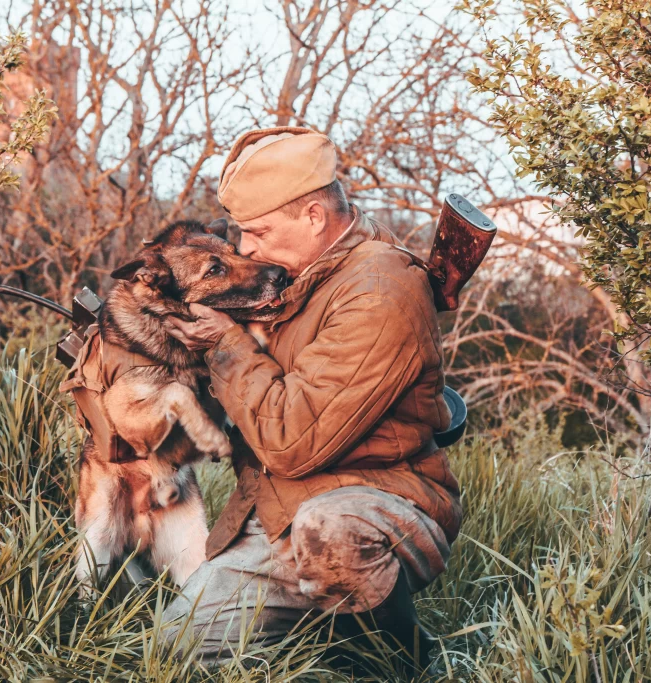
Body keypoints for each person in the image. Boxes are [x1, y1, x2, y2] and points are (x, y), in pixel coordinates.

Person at [158, 126, 463, 669]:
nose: (245, 248)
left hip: (380, 499)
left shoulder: (378, 289)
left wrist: (224, 344)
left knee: (330, 532)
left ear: (314, 217)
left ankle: (402, 660)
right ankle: (330, 638)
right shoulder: (299, 276)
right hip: (278, 508)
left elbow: (290, 441)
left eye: (258, 231)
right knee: (175, 653)